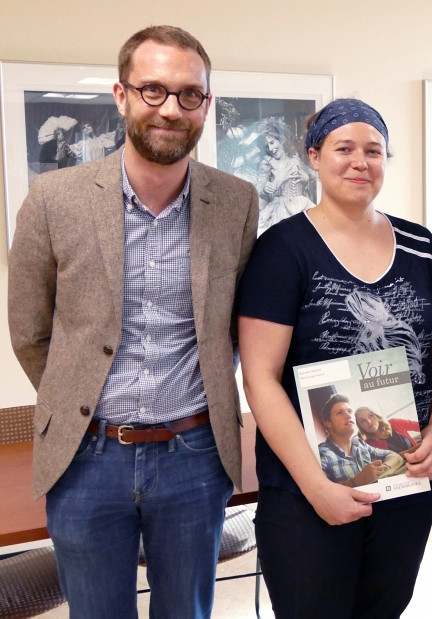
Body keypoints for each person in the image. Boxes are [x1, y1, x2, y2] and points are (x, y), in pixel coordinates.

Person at [7, 25, 258, 617]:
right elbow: (28, 330)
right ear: (121, 96)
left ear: (206, 104)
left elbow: (235, 328)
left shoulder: (238, 201)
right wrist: (75, 405)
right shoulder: (53, 199)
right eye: (152, 90)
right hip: (86, 458)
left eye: (188, 94)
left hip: (195, 456)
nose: (170, 109)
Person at [237, 97, 432, 618]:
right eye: (344, 148)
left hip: (403, 475)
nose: (360, 162)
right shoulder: (282, 250)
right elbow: (260, 378)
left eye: (374, 150)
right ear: (314, 156)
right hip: (307, 488)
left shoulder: (421, 247)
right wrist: (318, 488)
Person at [316, 394, 396, 485]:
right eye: (339, 412)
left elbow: (391, 454)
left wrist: (385, 468)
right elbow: (319, 491)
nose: (348, 415)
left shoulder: (359, 443)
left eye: (350, 411)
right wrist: (357, 481)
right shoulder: (322, 455)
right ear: (328, 423)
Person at [255, 118, 314, 233]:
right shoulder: (267, 162)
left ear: (280, 140)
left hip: (301, 205)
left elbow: (313, 174)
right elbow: (259, 188)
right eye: (267, 146)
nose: (271, 149)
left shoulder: (294, 159)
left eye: (272, 143)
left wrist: (305, 178)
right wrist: (265, 187)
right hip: (280, 208)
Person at [355, 405, 420, 453]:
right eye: (363, 421)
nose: (369, 422)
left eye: (370, 416)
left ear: (376, 416)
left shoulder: (394, 423)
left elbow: (421, 425)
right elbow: (391, 458)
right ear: (360, 427)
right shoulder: (367, 444)